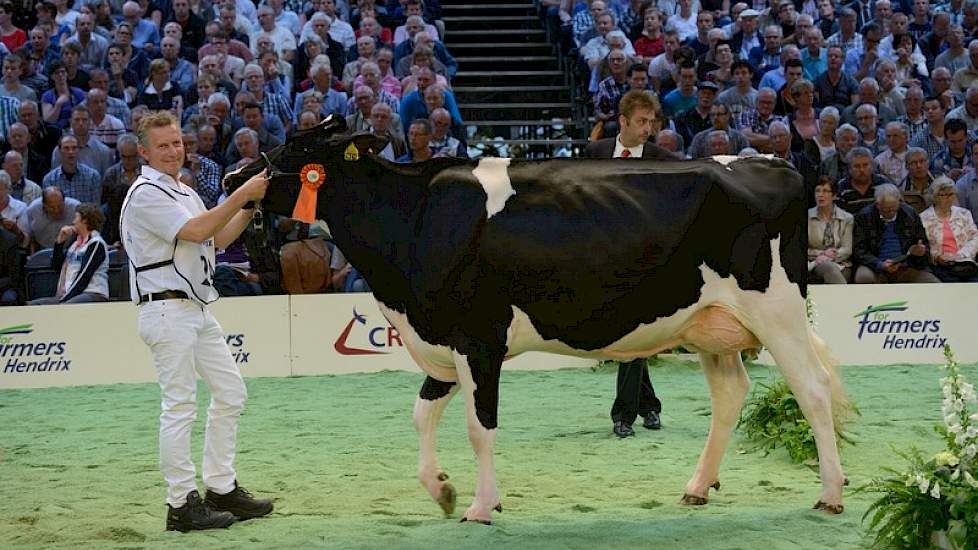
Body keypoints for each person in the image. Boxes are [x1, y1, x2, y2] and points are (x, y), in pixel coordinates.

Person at [119, 110, 273, 532]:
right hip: (166, 309)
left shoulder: (182, 191)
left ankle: (221, 488)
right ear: (144, 152)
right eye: (163, 145)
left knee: (230, 392)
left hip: (194, 307)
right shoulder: (146, 193)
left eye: (177, 143)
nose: (173, 151)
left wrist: (251, 205)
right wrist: (241, 195)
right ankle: (180, 503)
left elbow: (215, 237)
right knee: (180, 405)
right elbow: (193, 232)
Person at [583, 90, 671, 438]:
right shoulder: (595, 153)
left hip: (645, 259)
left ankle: (624, 415)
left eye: (651, 122)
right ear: (623, 122)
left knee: (631, 334)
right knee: (632, 333)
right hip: (604, 257)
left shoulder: (664, 159)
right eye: (641, 122)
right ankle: (650, 405)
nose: (648, 129)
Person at [852, 183, 941, 283]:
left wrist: (921, 251)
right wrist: (880, 264)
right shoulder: (864, 216)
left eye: (894, 209)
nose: (891, 213)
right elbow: (859, 251)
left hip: (906, 265)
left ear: (899, 202)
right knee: (863, 277)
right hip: (875, 265)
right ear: (877, 205)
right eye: (886, 210)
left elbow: (923, 243)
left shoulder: (910, 214)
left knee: (933, 282)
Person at [28, 203, 110, 304]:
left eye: (76, 217)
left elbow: (84, 276)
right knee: (33, 305)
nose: (73, 221)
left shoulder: (96, 243)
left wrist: (65, 300)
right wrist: (59, 243)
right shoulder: (75, 244)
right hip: (71, 294)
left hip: (92, 293)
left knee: (66, 307)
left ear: (84, 220)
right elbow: (56, 266)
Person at [919, 177, 978, 281]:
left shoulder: (964, 213)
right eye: (943, 195)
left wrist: (961, 255)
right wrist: (937, 257)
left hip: (965, 262)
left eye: (951, 194)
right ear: (935, 197)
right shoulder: (924, 218)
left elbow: (975, 238)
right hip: (941, 265)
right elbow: (924, 245)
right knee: (952, 284)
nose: (948, 198)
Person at [808, 178, 854, 283]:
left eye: (825, 191)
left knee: (832, 269)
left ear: (834, 196)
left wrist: (829, 257)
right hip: (814, 262)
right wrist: (822, 254)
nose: (820, 194)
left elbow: (847, 249)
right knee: (828, 267)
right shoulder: (805, 218)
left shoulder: (847, 218)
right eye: (818, 191)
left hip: (841, 263)